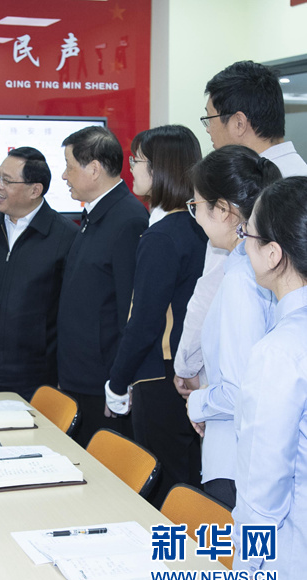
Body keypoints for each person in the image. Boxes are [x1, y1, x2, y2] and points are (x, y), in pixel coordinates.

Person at [175, 60, 307, 399]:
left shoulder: (233, 194)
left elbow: (211, 287)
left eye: (209, 118)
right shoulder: (301, 181)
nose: (207, 130)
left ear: (238, 122)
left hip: (235, 384)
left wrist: (187, 365)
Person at [105, 125, 206, 505]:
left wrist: (117, 383)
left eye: (137, 160)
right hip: (188, 373)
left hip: (159, 375)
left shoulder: (162, 236)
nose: (131, 167)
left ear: (162, 167)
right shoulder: (198, 226)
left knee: (163, 489)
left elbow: (144, 321)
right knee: (188, 483)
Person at [185, 146, 281, 508]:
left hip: (235, 461)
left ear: (223, 210)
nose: (195, 216)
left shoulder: (243, 278)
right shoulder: (256, 266)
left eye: (196, 205)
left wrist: (198, 402)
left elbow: (240, 390)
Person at [0, 147, 77, 401]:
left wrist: (65, 371)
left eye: (7, 180)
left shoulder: (66, 237)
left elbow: (72, 315)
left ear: (35, 190)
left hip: (39, 378)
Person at [234, 177, 307, 580]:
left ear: (274, 254)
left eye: (247, 234)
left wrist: (248, 567)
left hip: (286, 567)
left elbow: (264, 483)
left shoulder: (279, 352)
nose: (243, 244)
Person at [56, 126, 149, 447]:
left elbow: (130, 312)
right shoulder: (95, 215)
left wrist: (119, 384)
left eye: (69, 166)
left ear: (94, 169)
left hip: (103, 384)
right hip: (78, 376)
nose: (64, 176)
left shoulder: (128, 220)